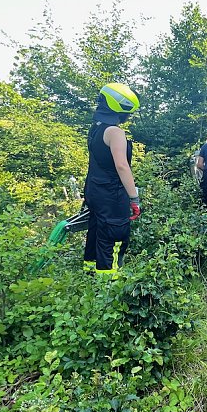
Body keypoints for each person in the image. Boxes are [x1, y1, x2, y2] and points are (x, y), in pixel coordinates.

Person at [83, 82, 141, 276]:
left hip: (94, 189)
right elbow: (121, 166)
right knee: (115, 236)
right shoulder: (115, 132)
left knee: (96, 230)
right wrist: (134, 198)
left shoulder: (96, 128)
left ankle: (89, 273)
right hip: (111, 193)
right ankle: (108, 285)